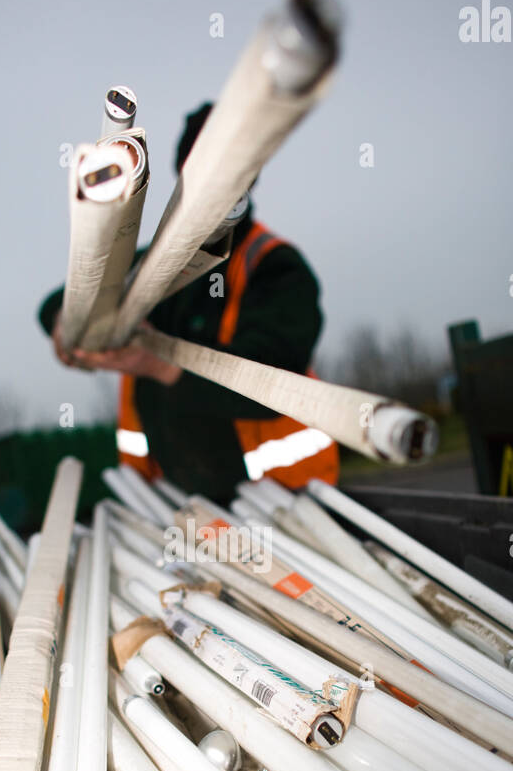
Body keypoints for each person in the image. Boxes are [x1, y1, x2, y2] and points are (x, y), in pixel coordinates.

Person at [38, 103, 339, 506]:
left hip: (286, 503)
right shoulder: (154, 265)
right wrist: (66, 320)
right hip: (176, 501)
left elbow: (272, 385)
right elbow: (71, 292)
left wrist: (158, 361)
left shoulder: (274, 266)